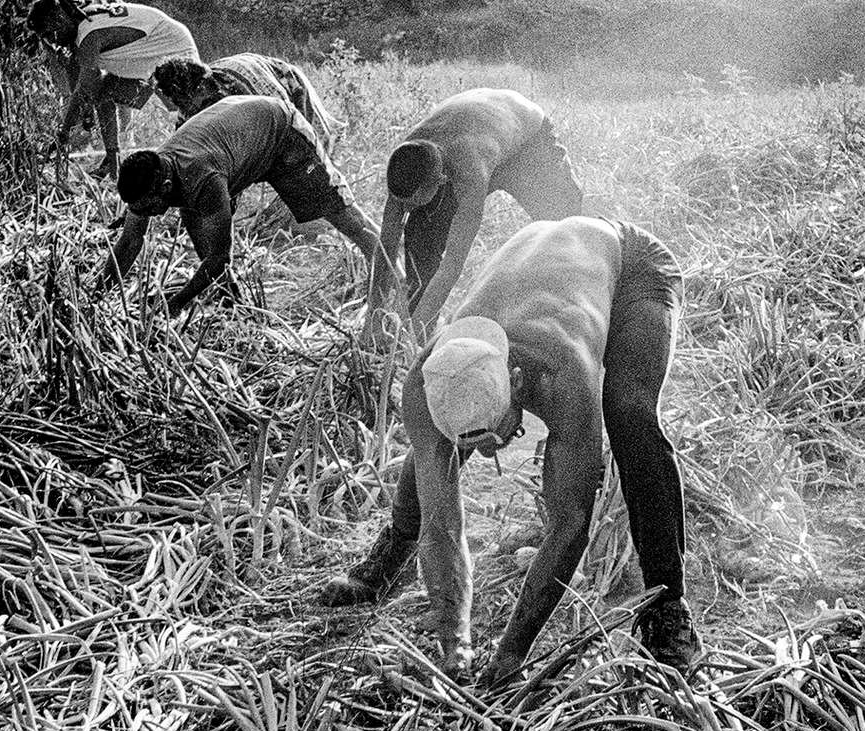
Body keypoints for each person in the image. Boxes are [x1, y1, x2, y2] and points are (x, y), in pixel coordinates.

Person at [320, 216, 701, 686]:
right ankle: (392, 550)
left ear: (518, 382)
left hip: (635, 267)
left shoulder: (563, 370)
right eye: (473, 444)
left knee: (629, 416)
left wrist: (511, 653)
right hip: (542, 261)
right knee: (432, 454)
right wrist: (454, 644)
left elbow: (569, 525)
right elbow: (442, 525)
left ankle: (667, 605)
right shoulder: (427, 380)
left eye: (496, 435)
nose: (488, 453)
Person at [102, 93, 398, 315]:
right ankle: (231, 300)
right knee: (194, 219)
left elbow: (219, 260)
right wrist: (98, 294)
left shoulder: (204, 178)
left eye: (145, 209)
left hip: (282, 133)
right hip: (244, 131)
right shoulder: (152, 173)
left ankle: (394, 276)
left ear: (164, 188)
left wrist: (175, 303)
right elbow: (130, 241)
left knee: (344, 218)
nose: (141, 215)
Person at [380, 89, 585, 332]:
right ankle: (423, 330)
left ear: (442, 179)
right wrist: (373, 319)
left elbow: (453, 264)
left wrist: (411, 331)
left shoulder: (470, 169)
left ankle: (570, 313)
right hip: (473, 129)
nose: (406, 209)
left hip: (528, 139)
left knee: (565, 227)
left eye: (412, 203)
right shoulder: (408, 158)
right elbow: (385, 246)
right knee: (421, 239)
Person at [27, 0, 200, 179]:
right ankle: (112, 160)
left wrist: (64, 132)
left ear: (59, 19)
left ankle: (190, 165)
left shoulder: (89, 35)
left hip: (171, 45)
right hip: (146, 53)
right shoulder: (78, 21)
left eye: (49, 35)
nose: (52, 43)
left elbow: (84, 90)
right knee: (103, 93)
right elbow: (87, 87)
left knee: (187, 114)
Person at [153, 54, 341, 141]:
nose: (191, 109)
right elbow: (183, 144)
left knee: (312, 143)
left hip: (287, 83)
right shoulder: (187, 105)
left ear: (202, 86)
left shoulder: (248, 86)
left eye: (197, 102)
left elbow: (287, 120)